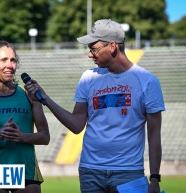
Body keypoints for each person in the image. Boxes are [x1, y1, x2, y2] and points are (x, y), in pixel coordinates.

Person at [25, 19, 165, 193]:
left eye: (93, 48)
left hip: (128, 173)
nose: (90, 54)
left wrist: (155, 178)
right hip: (90, 171)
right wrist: (45, 99)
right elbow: (76, 125)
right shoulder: (88, 77)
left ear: (112, 46)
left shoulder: (148, 81)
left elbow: (154, 135)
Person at [0, 40, 50, 193]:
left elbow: (45, 137)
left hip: (26, 172)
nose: (10, 65)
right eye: (4, 60)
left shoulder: (28, 93)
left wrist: (20, 137)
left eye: (13, 60)